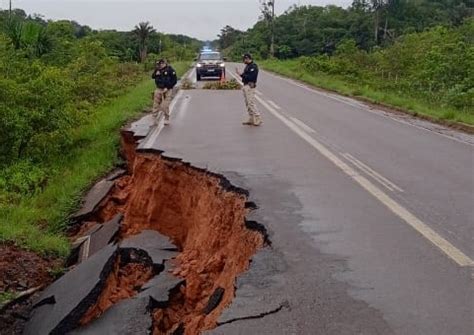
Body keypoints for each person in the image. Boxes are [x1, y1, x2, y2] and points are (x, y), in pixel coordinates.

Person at [236, 53, 262, 126]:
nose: (243, 60)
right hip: (245, 85)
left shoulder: (253, 67)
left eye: (244, 59)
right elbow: (245, 76)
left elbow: (251, 77)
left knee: (251, 103)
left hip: (250, 86)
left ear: (247, 58)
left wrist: (241, 74)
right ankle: (251, 118)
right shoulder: (247, 66)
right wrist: (241, 74)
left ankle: (258, 118)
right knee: (247, 103)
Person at [152, 59, 178, 125]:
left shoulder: (170, 70)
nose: (161, 65)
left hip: (167, 89)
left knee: (165, 105)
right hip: (159, 89)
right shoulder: (157, 70)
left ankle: (166, 118)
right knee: (156, 104)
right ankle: (154, 119)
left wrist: (168, 87)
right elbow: (153, 76)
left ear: (165, 63)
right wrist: (156, 72)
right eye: (160, 64)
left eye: (162, 63)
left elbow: (174, 80)